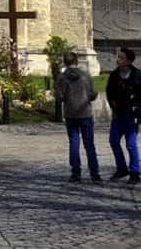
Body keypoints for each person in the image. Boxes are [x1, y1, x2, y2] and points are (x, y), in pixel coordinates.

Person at [106, 47, 141, 183]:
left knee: (131, 144)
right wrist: (113, 105)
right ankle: (121, 168)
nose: (118, 60)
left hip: (132, 115)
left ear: (129, 61)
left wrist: (139, 110)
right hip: (118, 114)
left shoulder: (137, 75)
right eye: (118, 57)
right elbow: (109, 92)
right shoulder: (114, 76)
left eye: (121, 57)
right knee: (114, 141)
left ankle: (134, 172)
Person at [55, 50, 101, 182]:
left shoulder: (62, 78)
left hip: (70, 113)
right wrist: (86, 98)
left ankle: (76, 173)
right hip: (85, 112)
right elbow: (94, 93)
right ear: (76, 61)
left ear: (65, 62)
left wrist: (66, 99)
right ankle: (95, 174)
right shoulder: (85, 76)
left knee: (74, 143)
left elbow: (59, 96)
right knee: (89, 144)